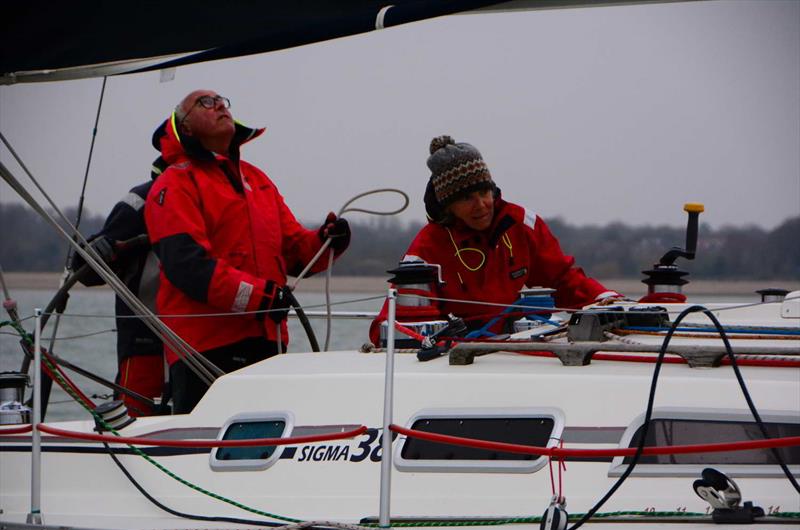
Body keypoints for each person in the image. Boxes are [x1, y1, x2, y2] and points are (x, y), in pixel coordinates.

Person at [145, 90, 350, 414]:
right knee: (204, 450)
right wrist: (260, 298)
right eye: (205, 103)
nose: (220, 106)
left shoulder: (257, 180)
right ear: (184, 128)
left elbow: (297, 254)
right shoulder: (175, 184)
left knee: (265, 445)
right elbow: (188, 267)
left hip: (267, 341)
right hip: (204, 347)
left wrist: (327, 241)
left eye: (222, 101)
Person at [370, 135, 621, 344]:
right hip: (452, 358)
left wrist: (607, 300)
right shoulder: (427, 248)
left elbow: (565, 280)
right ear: (449, 206)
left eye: (483, 192)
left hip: (514, 351)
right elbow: (392, 320)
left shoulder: (521, 224)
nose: (481, 205)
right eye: (468, 198)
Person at [70, 158, 167, 416]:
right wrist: (90, 253)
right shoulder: (142, 200)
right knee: (133, 424)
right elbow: (87, 269)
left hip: (207, 341)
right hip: (146, 340)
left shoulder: (221, 195)